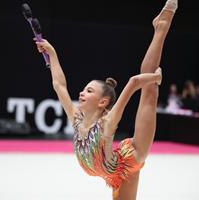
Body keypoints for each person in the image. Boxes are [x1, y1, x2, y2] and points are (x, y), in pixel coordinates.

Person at [35, 0, 177, 199]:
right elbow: (59, 86)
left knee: (149, 94)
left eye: (89, 91)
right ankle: (160, 30)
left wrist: (156, 78)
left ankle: (161, 27)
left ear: (102, 102)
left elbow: (134, 82)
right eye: (84, 90)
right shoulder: (76, 119)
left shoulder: (106, 124)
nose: (81, 93)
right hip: (111, 175)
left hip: (129, 162)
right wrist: (53, 53)